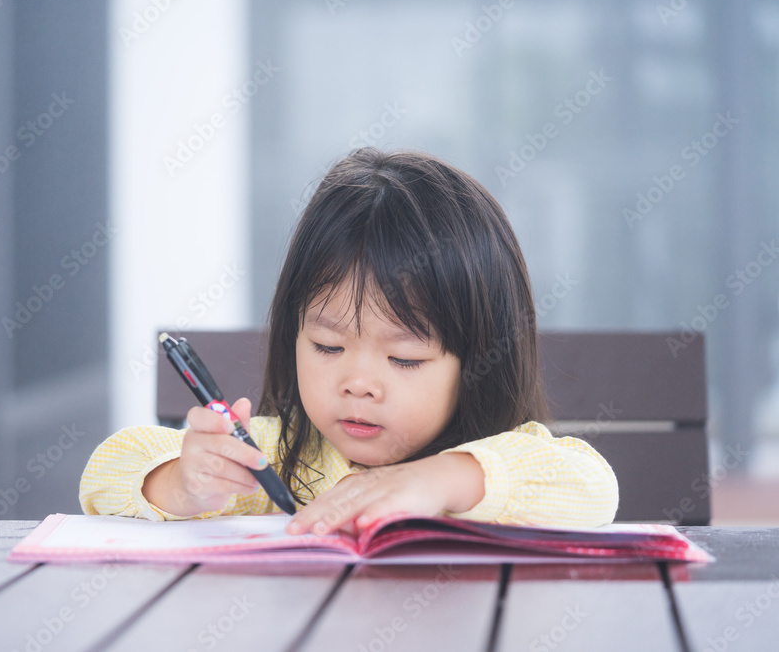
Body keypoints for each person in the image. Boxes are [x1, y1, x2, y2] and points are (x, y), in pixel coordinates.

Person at [79, 147, 618, 534]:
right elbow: (106, 472)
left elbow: (594, 487)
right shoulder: (274, 456)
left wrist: (437, 481)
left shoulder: (501, 461)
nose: (358, 383)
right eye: (328, 348)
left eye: (404, 358)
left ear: (477, 362)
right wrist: (183, 484)